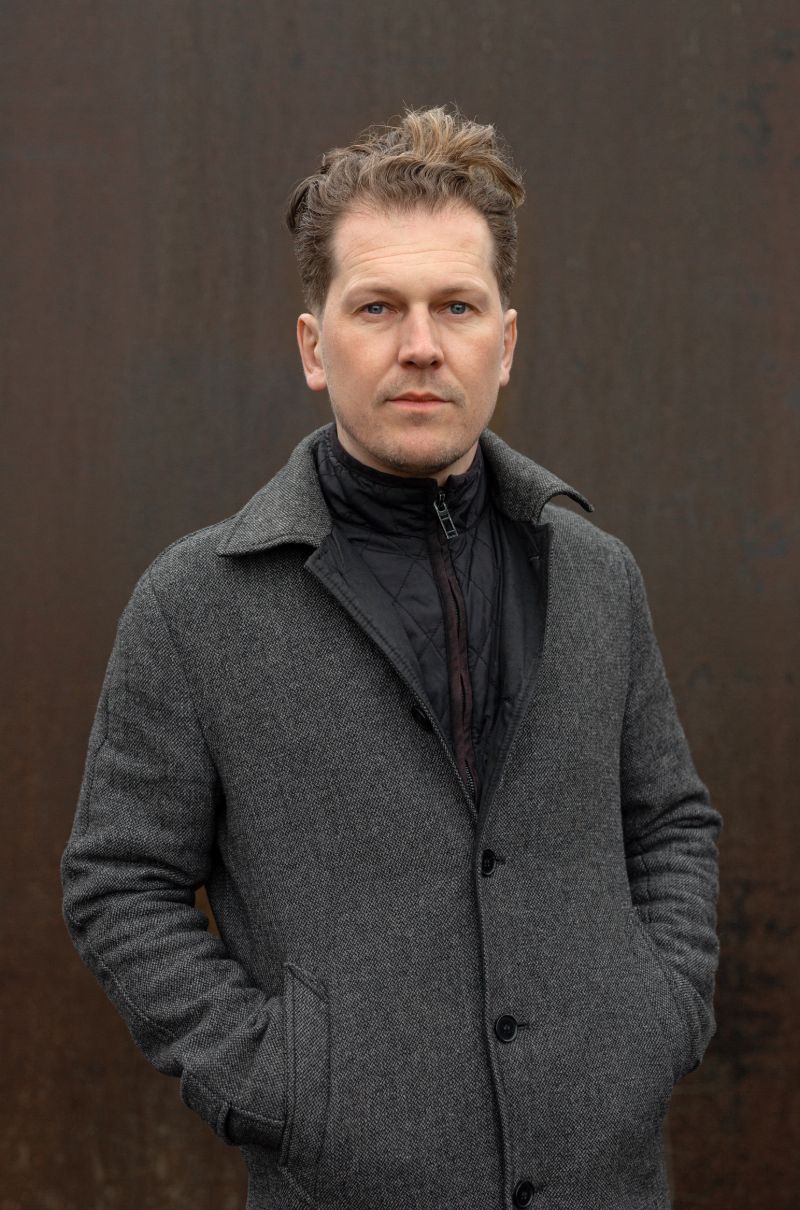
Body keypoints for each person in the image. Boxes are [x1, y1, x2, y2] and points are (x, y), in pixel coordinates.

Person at [61, 104, 722, 1210]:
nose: (421, 344)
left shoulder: (596, 575)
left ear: (504, 342)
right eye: (378, 306)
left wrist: (660, 1014)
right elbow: (117, 881)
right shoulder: (195, 604)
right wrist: (278, 1088)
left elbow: (669, 823)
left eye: (456, 305)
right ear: (314, 347)